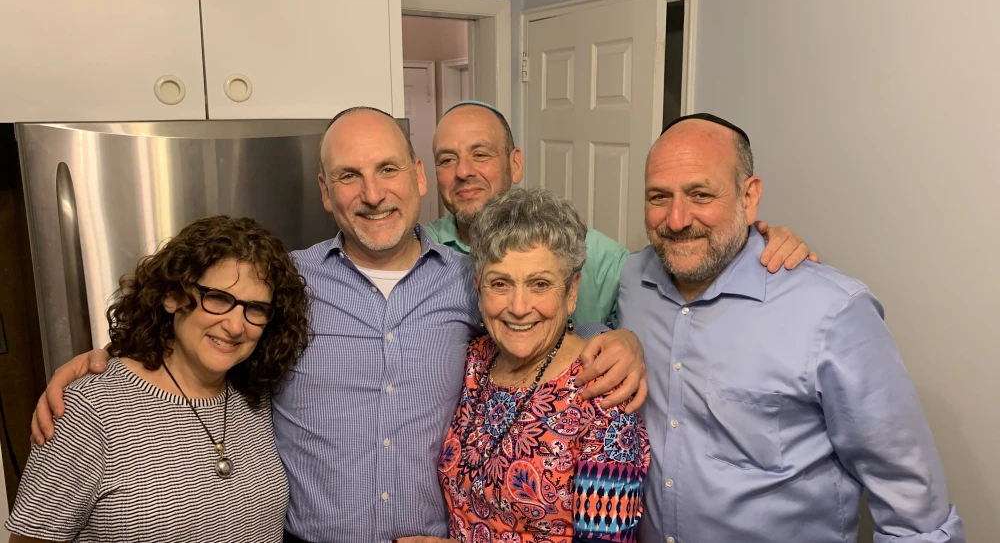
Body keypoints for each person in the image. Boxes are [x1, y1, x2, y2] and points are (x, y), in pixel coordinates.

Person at [31, 107, 648, 543]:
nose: (372, 194)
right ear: (326, 193)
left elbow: (540, 326)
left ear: (417, 177)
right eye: (349, 177)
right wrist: (103, 360)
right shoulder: (285, 282)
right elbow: (210, 326)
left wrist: (619, 340)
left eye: (387, 170)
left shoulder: (468, 281)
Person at [618, 113, 966, 543]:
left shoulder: (832, 312)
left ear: (749, 197)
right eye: (658, 197)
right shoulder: (631, 281)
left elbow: (912, 509)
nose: (676, 219)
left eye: (700, 194)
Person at [4, 215, 310, 542]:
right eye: (218, 298)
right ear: (172, 296)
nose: (236, 326)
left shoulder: (258, 396)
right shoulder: (88, 410)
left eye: (256, 308)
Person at [424, 100, 818, 326]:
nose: (463, 172)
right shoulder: (420, 253)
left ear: (515, 163)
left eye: (481, 154)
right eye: (447, 159)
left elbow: (690, 270)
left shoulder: (606, 261)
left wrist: (757, 240)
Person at [439, 188, 650, 541]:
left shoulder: (603, 394)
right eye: (500, 283)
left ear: (571, 292)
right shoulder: (473, 361)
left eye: (540, 284)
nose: (519, 307)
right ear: (478, 288)